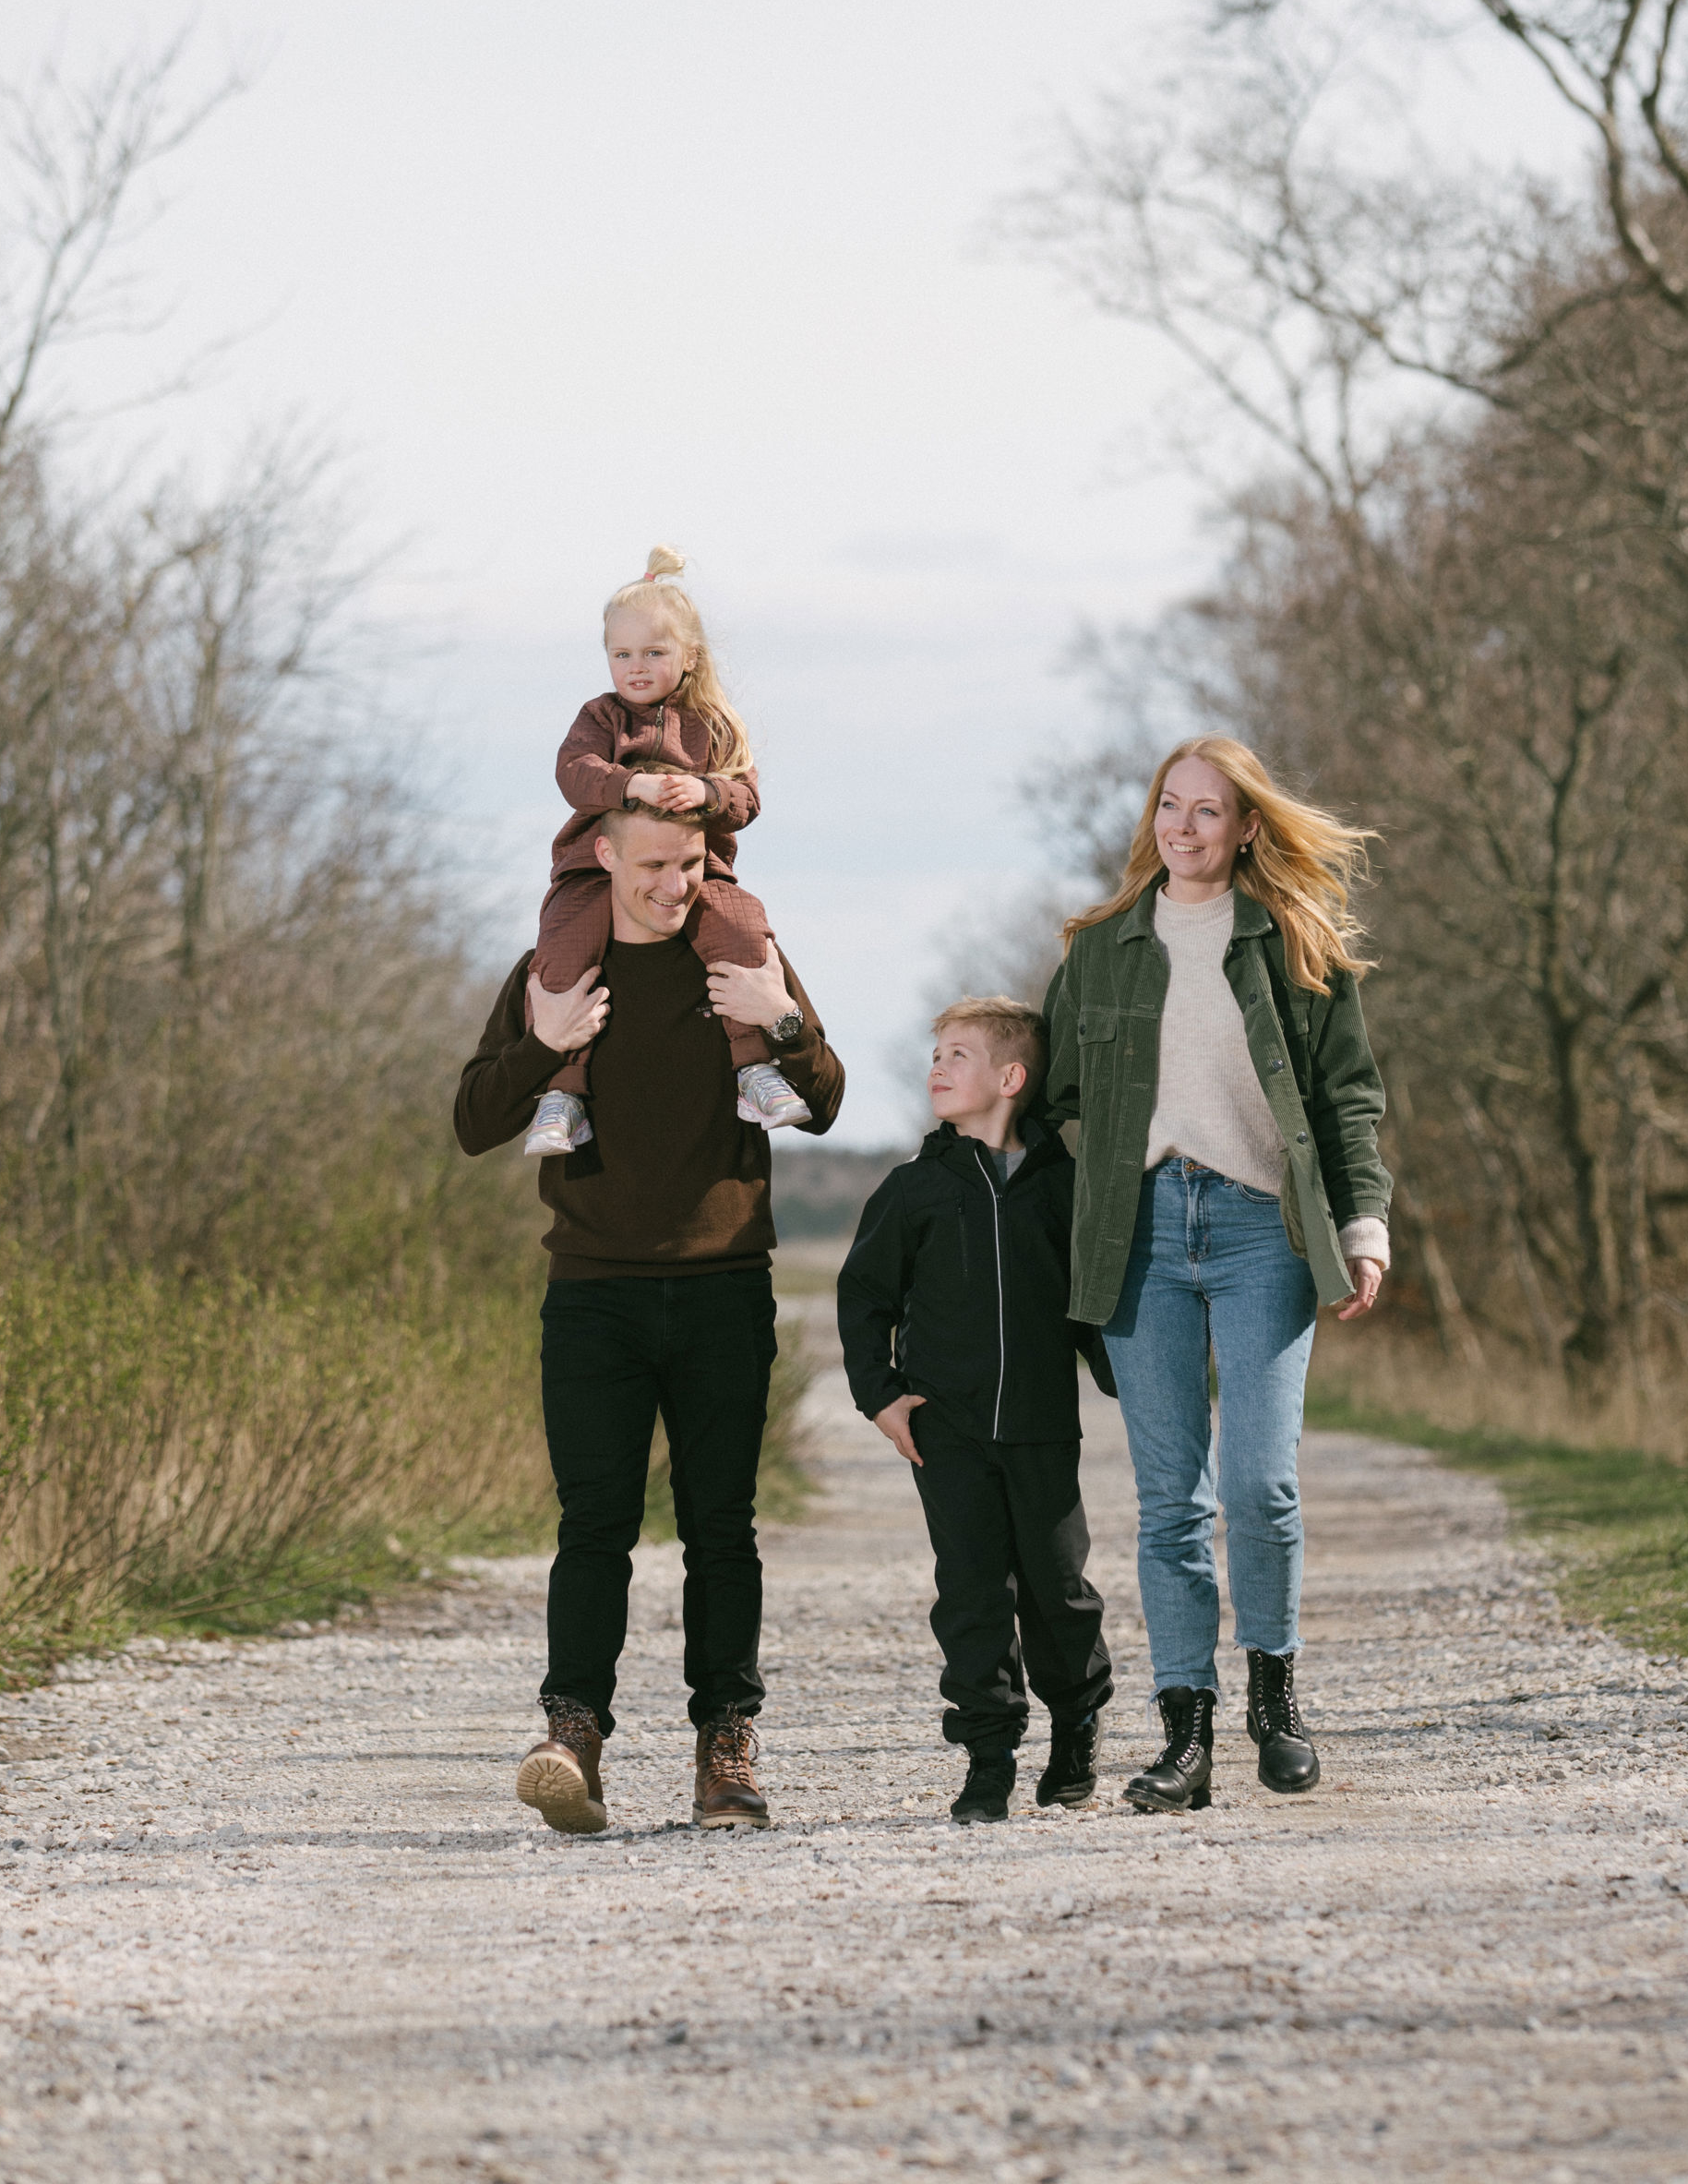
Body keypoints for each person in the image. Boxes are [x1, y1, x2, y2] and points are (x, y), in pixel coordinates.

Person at [454, 781, 844, 1833]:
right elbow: (473, 1118)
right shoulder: (558, 968)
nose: (676, 887)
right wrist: (543, 1042)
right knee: (596, 1525)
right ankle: (571, 1734)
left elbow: (827, 1101)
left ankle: (727, 1748)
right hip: (593, 1293)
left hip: (725, 1286)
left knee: (723, 1528)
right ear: (604, 864)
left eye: (692, 866)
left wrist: (785, 1021)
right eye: (652, 870)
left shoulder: (740, 950)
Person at [1038, 737, 1391, 1814]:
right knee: (1169, 1505)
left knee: (1258, 1484)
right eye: (1170, 808)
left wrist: (1365, 1220)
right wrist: (1097, 1183)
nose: (1183, 828)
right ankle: (1183, 1737)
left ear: (1246, 828)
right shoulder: (1102, 950)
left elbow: (1347, 1097)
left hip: (1260, 1231)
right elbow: (1055, 1091)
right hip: (1139, 1232)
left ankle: (1274, 1699)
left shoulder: (1289, 940)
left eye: (1208, 811)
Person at [836, 998, 1117, 1825]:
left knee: (1058, 1590)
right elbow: (864, 1298)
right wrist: (881, 1397)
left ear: (1010, 1077)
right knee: (971, 1593)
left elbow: (1094, 1303)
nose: (937, 1067)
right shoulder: (915, 1189)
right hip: (946, 1432)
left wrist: (1138, 1382)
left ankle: (1076, 1728)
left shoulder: (1066, 1189)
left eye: (957, 1055)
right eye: (936, 1053)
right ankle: (988, 1756)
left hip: (1039, 1428)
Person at [521, 545, 807, 1158]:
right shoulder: (601, 718)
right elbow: (573, 772)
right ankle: (562, 1094)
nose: (637, 667)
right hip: (586, 881)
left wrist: (705, 790)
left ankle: (753, 1072)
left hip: (713, 878)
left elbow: (746, 797)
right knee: (564, 947)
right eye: (622, 655)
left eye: (654, 653)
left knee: (743, 928)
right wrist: (631, 785)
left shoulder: (713, 724)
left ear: (688, 656)